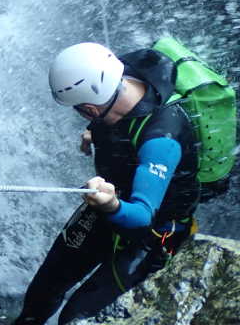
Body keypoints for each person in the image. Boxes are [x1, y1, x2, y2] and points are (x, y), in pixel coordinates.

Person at [13, 42, 201, 324]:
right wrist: (95, 129)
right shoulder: (123, 74)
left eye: (80, 111)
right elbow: (110, 114)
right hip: (107, 208)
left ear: (89, 108)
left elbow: (141, 215)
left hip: (152, 235)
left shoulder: (162, 140)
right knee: (43, 291)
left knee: (77, 318)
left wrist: (111, 204)